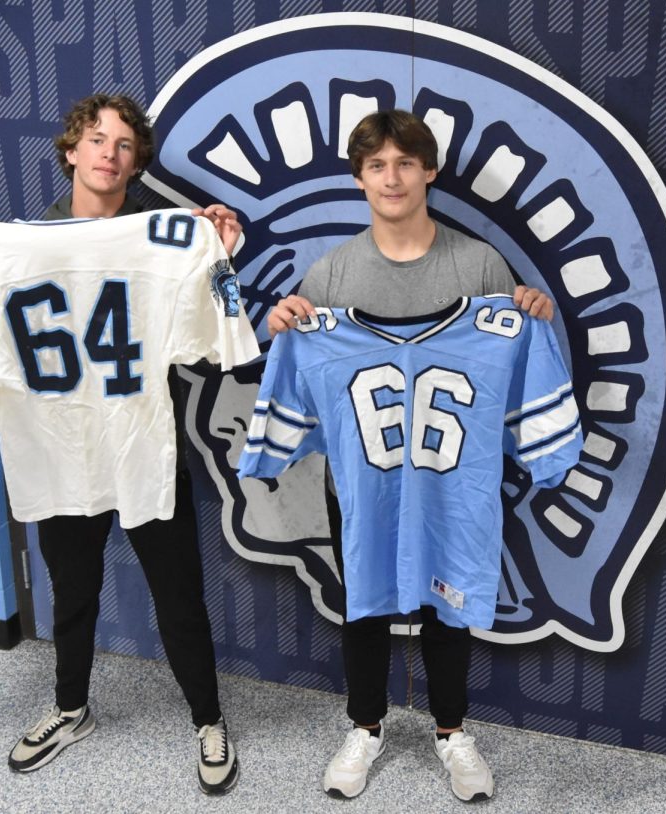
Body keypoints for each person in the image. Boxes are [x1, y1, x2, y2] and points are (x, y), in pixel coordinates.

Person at [0, 94, 241, 795]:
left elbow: (210, 342)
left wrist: (217, 258)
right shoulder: (12, 243)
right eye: (96, 139)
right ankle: (71, 707)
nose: (109, 153)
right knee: (72, 589)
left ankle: (208, 719)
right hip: (58, 447)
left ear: (135, 161)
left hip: (144, 443)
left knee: (178, 592)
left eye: (123, 144)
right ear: (71, 150)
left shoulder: (162, 237)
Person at [266, 109, 554, 803]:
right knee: (363, 604)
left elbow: (513, 366)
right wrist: (278, 327)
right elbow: (299, 372)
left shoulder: (479, 262)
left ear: (429, 171)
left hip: (452, 483)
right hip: (362, 483)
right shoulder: (332, 273)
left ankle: (451, 731)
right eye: (376, 166)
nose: (390, 178)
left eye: (404, 163)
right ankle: (365, 725)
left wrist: (531, 318)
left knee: (446, 607)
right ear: (359, 179)